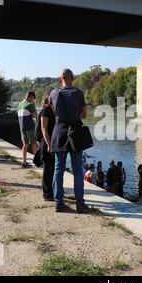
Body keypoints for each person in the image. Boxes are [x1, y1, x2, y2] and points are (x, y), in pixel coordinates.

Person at [49, 68, 88, 213]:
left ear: (60, 79)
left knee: (58, 169)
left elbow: (54, 113)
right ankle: (79, 204)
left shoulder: (53, 93)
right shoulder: (78, 93)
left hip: (59, 132)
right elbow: (84, 115)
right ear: (73, 78)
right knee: (78, 170)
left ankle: (58, 203)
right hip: (75, 132)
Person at [38, 93, 56, 201]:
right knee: (48, 169)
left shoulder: (55, 111)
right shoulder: (45, 111)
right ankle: (47, 194)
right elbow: (44, 129)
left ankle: (52, 191)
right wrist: (49, 144)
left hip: (55, 143)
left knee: (52, 169)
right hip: (47, 143)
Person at [18, 90, 38, 168]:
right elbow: (35, 115)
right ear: (31, 97)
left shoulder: (20, 104)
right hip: (30, 127)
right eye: (33, 98)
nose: (33, 100)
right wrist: (34, 106)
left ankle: (24, 162)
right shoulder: (30, 105)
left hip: (22, 128)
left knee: (25, 144)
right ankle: (37, 161)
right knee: (34, 144)